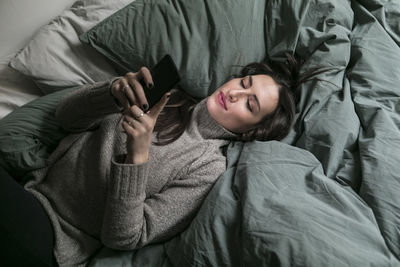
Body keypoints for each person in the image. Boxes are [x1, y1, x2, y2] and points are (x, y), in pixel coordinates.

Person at [0, 53, 325, 266]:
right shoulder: (166, 96)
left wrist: (137, 157)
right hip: (32, 191)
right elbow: (66, 117)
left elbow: (125, 236)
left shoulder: (208, 169)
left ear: (249, 133)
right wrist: (111, 92)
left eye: (250, 105)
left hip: (57, 236)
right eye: (244, 83)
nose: (236, 94)